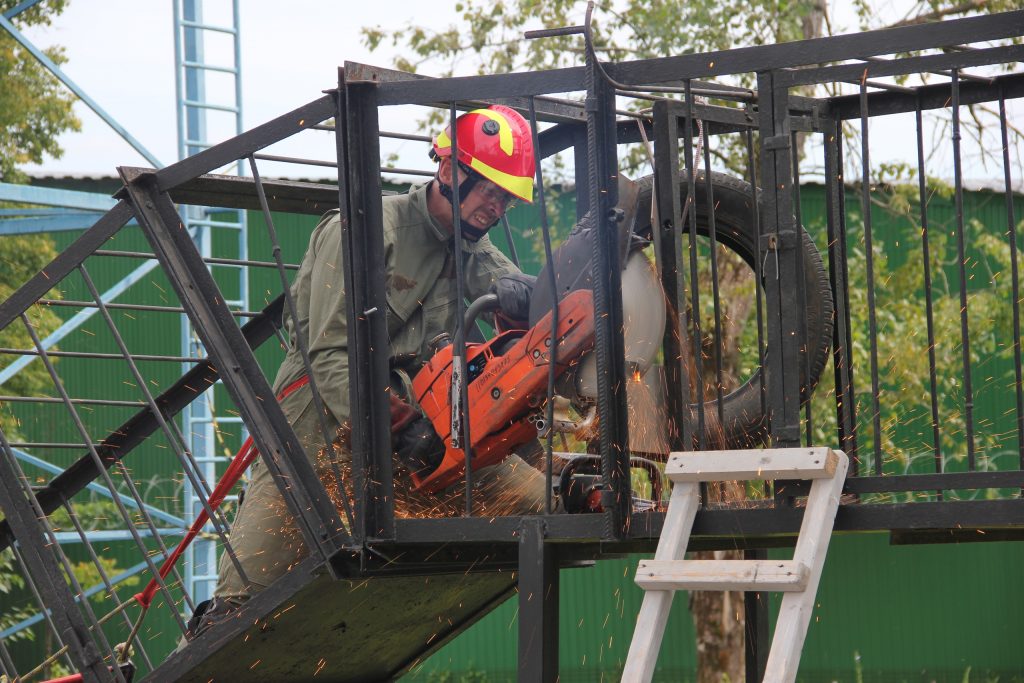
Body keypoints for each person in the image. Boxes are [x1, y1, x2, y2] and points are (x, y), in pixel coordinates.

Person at [190, 105, 548, 634]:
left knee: (542, 503)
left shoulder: (472, 246)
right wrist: (399, 426)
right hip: (321, 420)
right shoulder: (364, 230)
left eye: (504, 198)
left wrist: (537, 295)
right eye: (487, 191)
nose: (494, 208)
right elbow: (330, 355)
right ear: (450, 172)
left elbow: (532, 306)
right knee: (242, 608)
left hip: (424, 422)